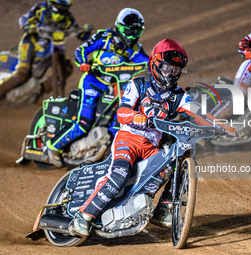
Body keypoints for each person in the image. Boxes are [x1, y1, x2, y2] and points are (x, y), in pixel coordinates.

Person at [68, 39, 236, 236]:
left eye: (175, 70)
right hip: (128, 138)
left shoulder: (179, 95)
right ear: (155, 64)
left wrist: (218, 125)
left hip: (151, 146)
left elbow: (198, 113)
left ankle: (164, 208)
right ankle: (83, 216)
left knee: (173, 162)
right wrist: (134, 116)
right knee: (119, 174)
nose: (170, 74)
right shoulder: (137, 84)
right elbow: (122, 111)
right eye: (166, 68)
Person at [45, 8, 149, 168]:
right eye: (129, 30)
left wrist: (164, 67)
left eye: (136, 32)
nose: (132, 35)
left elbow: (150, 63)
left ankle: (117, 161)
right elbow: (81, 50)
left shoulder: (135, 50)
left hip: (114, 88)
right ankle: (52, 147)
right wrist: (83, 63)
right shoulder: (105, 37)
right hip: (92, 82)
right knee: (84, 122)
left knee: (119, 123)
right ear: (120, 27)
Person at [0, 0, 92, 98]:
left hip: (54, 46)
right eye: (58, 5)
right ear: (51, 3)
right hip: (32, 42)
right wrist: (28, 25)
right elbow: (24, 18)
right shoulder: (41, 8)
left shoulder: (68, 18)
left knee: (67, 68)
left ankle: (40, 91)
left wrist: (85, 31)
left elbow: (80, 34)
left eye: (63, 6)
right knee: (23, 72)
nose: (60, 9)